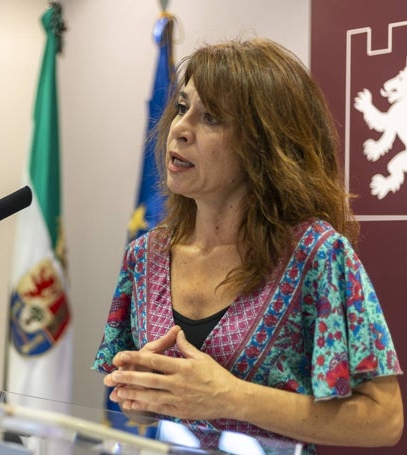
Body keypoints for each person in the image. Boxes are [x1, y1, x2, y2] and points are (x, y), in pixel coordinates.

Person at [92, 37, 403, 454]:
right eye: (182, 108)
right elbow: (137, 415)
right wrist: (145, 390)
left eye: (212, 118)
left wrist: (231, 396)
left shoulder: (317, 255)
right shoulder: (145, 256)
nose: (179, 130)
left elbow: (383, 420)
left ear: (264, 144)